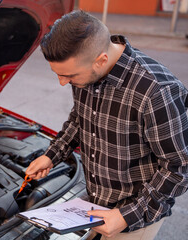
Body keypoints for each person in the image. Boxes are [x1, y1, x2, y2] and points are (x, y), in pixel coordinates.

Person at [25, 10, 188, 240]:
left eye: (69, 75)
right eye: (59, 74)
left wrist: (126, 216)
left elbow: (179, 167)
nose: (63, 83)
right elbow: (79, 119)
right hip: (93, 203)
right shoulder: (86, 70)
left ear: (101, 60)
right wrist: (52, 155)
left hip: (134, 217)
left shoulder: (156, 91)